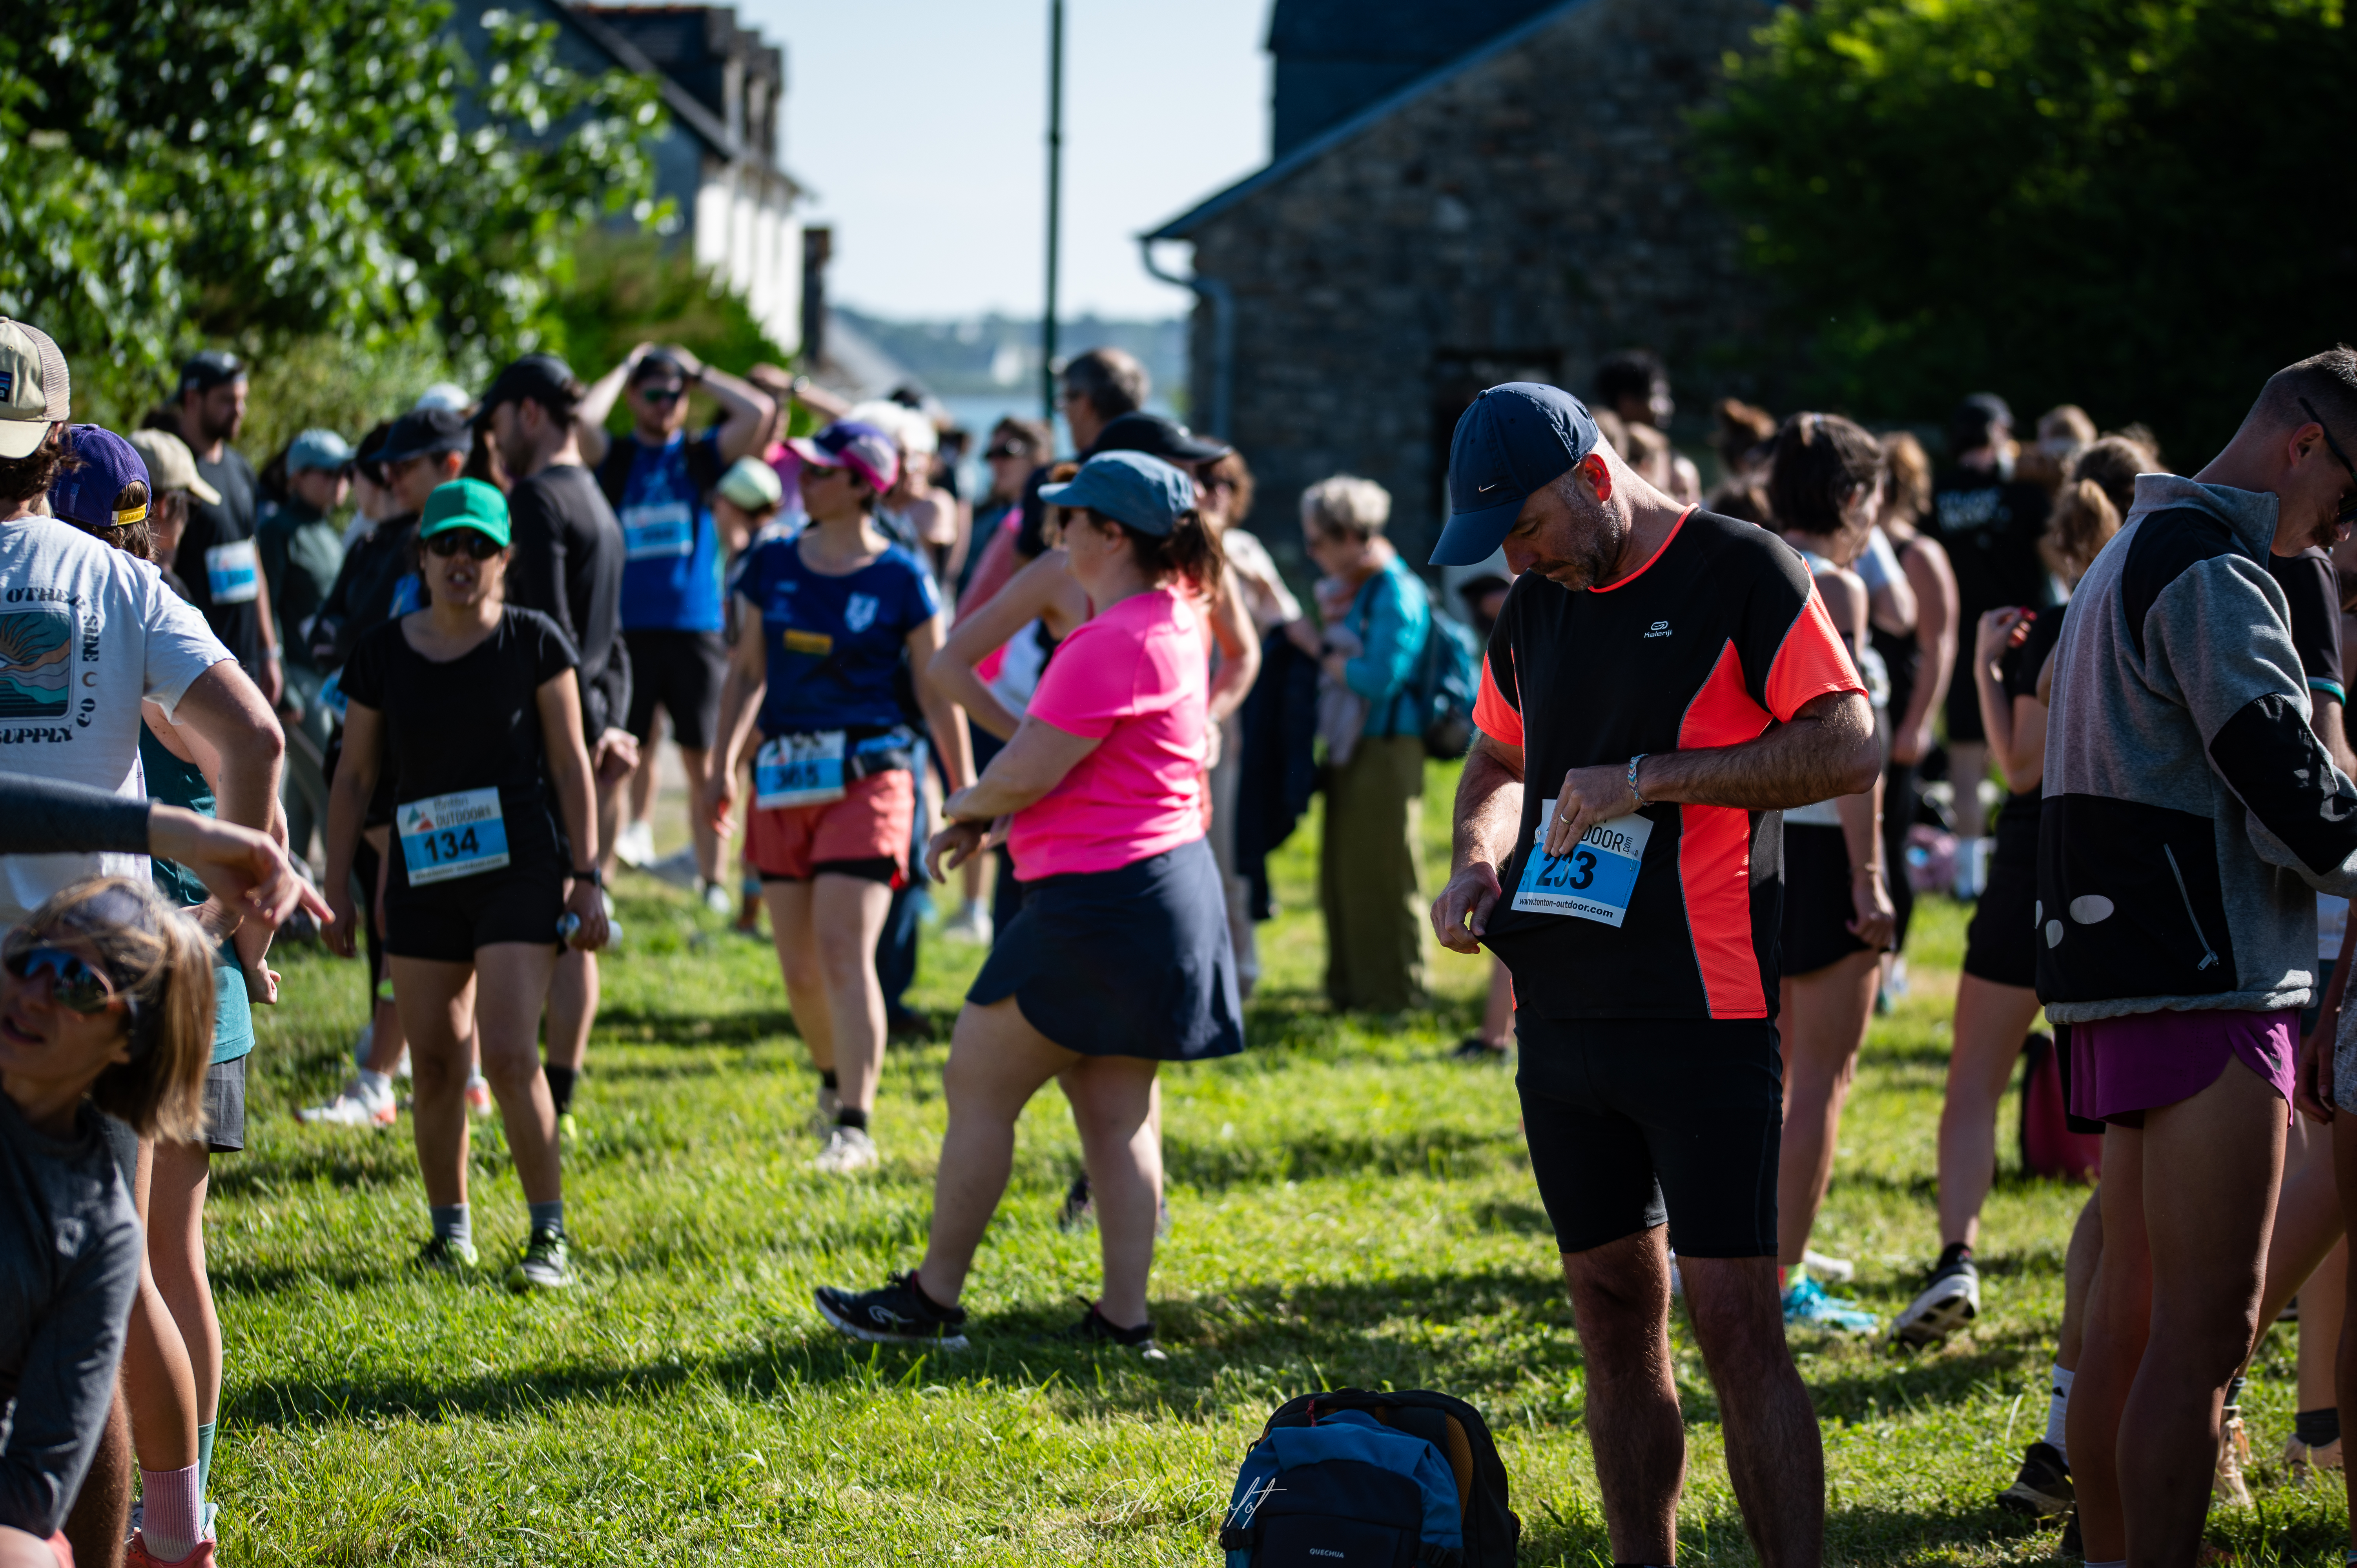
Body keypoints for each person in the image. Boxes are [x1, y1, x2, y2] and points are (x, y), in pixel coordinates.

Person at [1426, 382, 1877, 1568]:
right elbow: (1492, 754)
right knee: (1613, 1322)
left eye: (1522, 526)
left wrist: (1652, 777)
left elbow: (1849, 740)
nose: (1515, 557)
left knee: (1737, 1328)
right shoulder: (1532, 604)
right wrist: (1473, 861)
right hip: (1561, 1019)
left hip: (1704, 1011)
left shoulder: (1741, 568)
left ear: (1590, 477)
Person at [815, 450, 1243, 1355]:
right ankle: (1124, 1321)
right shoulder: (1175, 616)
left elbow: (1032, 763)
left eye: (1070, 520)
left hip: (1101, 903)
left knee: (977, 1080)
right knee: (1115, 1107)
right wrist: (995, 823)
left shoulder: (1112, 638)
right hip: (1159, 890)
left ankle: (931, 1302)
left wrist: (965, 813)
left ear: (1112, 535)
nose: (1056, 536)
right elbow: (1091, 771)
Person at [2041, 350, 2357, 1568]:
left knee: (2128, 1322)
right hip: (2205, 978)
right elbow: (2298, 804)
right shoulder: (2215, 571)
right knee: (2204, 1340)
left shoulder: (2131, 543)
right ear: (2305, 446)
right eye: (2349, 498)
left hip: (2119, 985)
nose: (2339, 534)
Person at [47, 425, 293, 1565]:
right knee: (134, 1260)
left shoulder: (117, 597)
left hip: (124, 971)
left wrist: (228, 928)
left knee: (132, 1261)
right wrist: (230, 919)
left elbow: (254, 756)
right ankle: (178, 1515)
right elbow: (260, 744)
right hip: (138, 968)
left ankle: (154, 1508)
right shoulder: (143, 603)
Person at [322, 479, 611, 1291]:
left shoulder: (534, 641)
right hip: (420, 874)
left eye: (479, 546)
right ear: (419, 554)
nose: (461, 559)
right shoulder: (380, 652)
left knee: (514, 1055)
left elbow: (570, 763)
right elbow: (354, 777)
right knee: (439, 1064)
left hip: (520, 870)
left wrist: (586, 877)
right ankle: (450, 1233)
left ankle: (547, 1235)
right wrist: (336, 883)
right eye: (446, 543)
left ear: (505, 558)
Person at [704, 421, 972, 1175]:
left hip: (873, 774)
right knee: (797, 967)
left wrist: (964, 789)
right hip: (782, 775)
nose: (804, 482)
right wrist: (720, 764)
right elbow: (746, 670)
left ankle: (856, 1122)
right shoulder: (771, 562)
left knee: (842, 950)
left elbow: (936, 685)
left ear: (863, 484)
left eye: (822, 472)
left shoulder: (902, 577)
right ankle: (831, 1083)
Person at [1894, 468, 2121, 1351]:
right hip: (2113, 879)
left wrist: (1991, 671)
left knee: (1974, 1085)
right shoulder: (2157, 617)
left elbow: (2018, 768)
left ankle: (1958, 1255)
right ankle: (2114, 1283)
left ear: (2060, 546)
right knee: (2120, 1107)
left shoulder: (2059, 630)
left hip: (2034, 867)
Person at [0, 877, 225, 1568]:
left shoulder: (99, 1233)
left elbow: (35, 1487)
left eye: (75, 986)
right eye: (26, 958)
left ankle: (175, 1537)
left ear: (130, 1040)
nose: (34, 991)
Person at [297, 406, 472, 1128]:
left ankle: (389, 1077)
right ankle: (437, 1070)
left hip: (427, 775)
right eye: (384, 469)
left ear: (451, 466)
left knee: (412, 923)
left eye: (404, 467)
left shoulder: (462, 549)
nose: (387, 479)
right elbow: (335, 638)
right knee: (403, 921)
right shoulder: (386, 543)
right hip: (376, 760)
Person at [481, 353, 640, 1135]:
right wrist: (612, 722)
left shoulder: (540, 499)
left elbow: (550, 639)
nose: (495, 436)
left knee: (536, 921)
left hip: (553, 746)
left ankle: (528, 1094)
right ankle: (563, 1091)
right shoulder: (601, 504)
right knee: (586, 907)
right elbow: (614, 645)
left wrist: (572, 736)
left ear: (531, 414)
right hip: (596, 736)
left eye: (500, 418)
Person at [1763, 415, 1898, 1333]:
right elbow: (1853, 757)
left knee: (1760, 1074)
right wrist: (1870, 875)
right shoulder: (1838, 588)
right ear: (1851, 496)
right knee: (1821, 1079)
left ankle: (1736, 1258)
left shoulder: (1738, 570)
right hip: (1818, 847)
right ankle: (1781, 1280)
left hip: (1744, 844)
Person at [575, 344, 774, 906]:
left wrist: (700, 371)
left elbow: (757, 414)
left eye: (675, 393)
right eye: (652, 392)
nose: (665, 403)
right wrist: (623, 364)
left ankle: (712, 880)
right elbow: (584, 420)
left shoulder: (699, 456)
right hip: (625, 633)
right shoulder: (613, 457)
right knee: (613, 762)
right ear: (635, 396)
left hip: (694, 629)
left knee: (704, 760)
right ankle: (602, 879)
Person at [1302, 475, 1431, 1013]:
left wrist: (1322, 655)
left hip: (1386, 748)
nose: (1312, 553)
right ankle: (1351, 991)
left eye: (1318, 541)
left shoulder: (1395, 589)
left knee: (1385, 872)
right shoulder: (1356, 588)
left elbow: (1378, 677)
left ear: (1351, 534)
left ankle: (1396, 993)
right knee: (1345, 874)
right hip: (1353, 749)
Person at [1929, 394, 2052, 892]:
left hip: (1963, 639)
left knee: (1964, 759)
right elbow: (2054, 559)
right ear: (1998, 432)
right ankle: (2027, 865)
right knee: (2032, 754)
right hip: (2024, 635)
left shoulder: (1937, 494)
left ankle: (1967, 880)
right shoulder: (2024, 494)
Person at [1874, 432, 1958, 974]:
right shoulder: (1856, 553)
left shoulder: (1917, 554)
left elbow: (1939, 644)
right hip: (1863, 713)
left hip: (1897, 715)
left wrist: (1918, 724)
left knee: (1890, 838)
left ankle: (1895, 963)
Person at [256, 428, 354, 869]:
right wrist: (281, 680)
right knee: (333, 789)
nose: (340, 480)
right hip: (298, 676)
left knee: (302, 795)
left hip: (331, 680)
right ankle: (348, 898)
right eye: (329, 472)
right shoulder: (279, 530)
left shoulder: (328, 530)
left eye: (344, 471)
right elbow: (267, 605)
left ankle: (295, 906)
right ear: (298, 476)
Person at [166, 353, 284, 712]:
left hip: (245, 659)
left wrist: (269, 651)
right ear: (192, 399)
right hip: (196, 667)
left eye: (243, 399)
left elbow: (252, 556)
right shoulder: (173, 472)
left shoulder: (241, 469)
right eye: (227, 401)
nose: (240, 410)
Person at [1594, 350, 1702, 504]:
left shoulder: (1672, 461)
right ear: (1627, 402)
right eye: (1656, 396)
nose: (1667, 406)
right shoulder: (1603, 460)